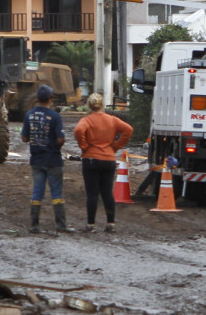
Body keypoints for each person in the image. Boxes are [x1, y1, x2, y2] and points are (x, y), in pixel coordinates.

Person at [74, 93, 133, 233]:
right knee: (107, 192)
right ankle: (110, 223)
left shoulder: (86, 120)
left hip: (91, 159)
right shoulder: (112, 120)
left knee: (92, 193)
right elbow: (128, 130)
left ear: (89, 106)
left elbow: (78, 130)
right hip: (109, 159)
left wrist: (84, 146)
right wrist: (116, 146)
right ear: (102, 105)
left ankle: (91, 224)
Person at [21, 84, 72, 234]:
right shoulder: (55, 116)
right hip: (53, 160)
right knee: (56, 192)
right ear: (51, 98)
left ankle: (34, 225)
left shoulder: (29, 115)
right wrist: (55, 145)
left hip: (36, 160)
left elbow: (24, 138)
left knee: (37, 191)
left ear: (37, 98)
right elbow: (61, 139)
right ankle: (61, 225)